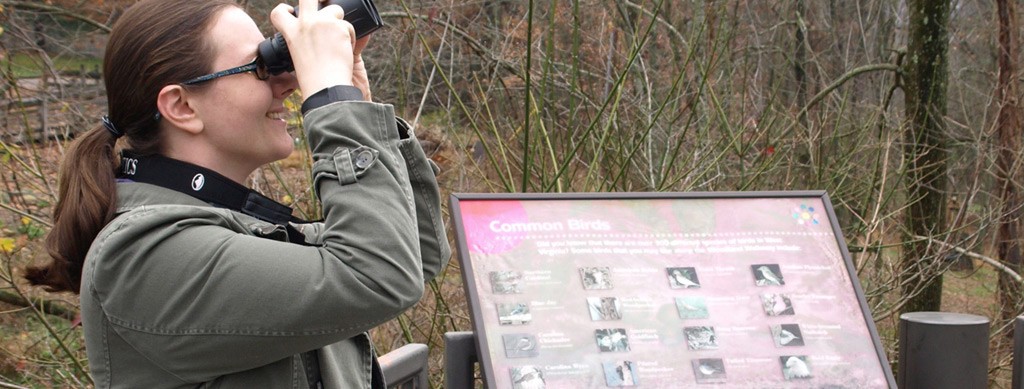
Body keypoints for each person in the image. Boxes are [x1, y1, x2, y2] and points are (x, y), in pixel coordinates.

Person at [23, 0, 450, 387]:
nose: (288, 83)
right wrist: (333, 103)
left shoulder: (232, 226)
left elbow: (416, 250)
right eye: (262, 66)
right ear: (183, 107)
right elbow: (379, 274)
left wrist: (353, 98)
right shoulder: (143, 253)